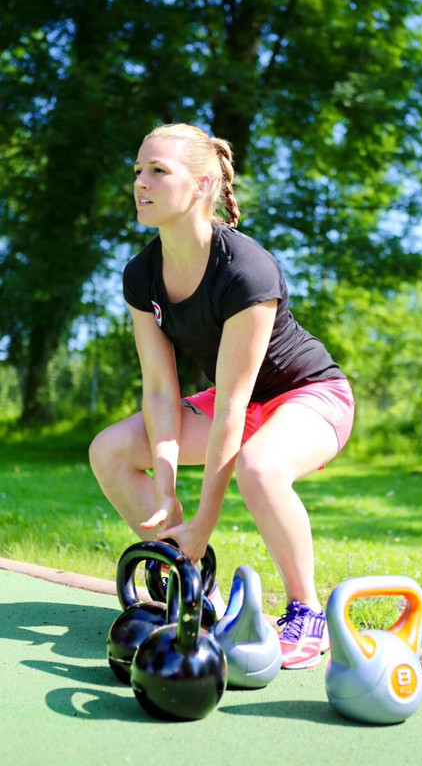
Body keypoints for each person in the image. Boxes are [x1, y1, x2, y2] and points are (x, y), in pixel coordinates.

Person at [89, 123, 355, 670]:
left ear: (205, 184)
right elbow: (161, 391)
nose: (141, 182)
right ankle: (193, 589)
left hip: (307, 395)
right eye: (138, 170)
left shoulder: (245, 269)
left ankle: (307, 613)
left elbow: (235, 407)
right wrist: (166, 490)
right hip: (234, 401)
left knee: (258, 467)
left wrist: (206, 518)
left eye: (159, 171)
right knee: (111, 450)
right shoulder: (142, 273)